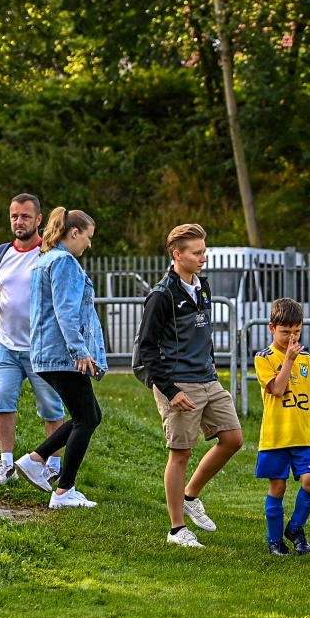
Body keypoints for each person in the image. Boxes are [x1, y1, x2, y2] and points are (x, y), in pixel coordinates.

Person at [134, 222, 245, 547]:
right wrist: (171, 390)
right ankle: (177, 530)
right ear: (177, 254)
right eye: (197, 253)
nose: (203, 258)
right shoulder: (162, 295)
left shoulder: (203, 287)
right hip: (178, 383)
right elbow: (147, 348)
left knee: (233, 438)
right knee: (180, 454)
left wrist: (210, 359)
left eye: (204, 252)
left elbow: (204, 330)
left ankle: (191, 495)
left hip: (207, 379)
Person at [14, 207, 109, 509]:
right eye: (88, 237)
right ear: (75, 232)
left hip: (46, 353)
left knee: (90, 415)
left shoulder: (45, 259)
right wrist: (80, 352)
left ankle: (35, 460)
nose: (89, 244)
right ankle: (64, 491)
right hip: (62, 355)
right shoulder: (65, 262)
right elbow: (65, 310)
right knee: (87, 417)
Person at [0, 194, 65, 485]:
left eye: (26, 216)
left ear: (39, 220)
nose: (19, 221)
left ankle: (52, 464)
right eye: (15, 216)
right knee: (1, 400)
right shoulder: (1, 253)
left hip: (42, 348)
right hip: (7, 344)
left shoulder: (50, 254)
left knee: (51, 407)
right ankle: (5, 464)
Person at [254, 298, 310, 555]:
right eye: (285, 332)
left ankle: (296, 528)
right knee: (278, 487)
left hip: (304, 435)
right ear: (272, 328)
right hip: (276, 436)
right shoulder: (263, 358)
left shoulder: (307, 359)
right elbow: (277, 389)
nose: (291, 337)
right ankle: (275, 541)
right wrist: (288, 359)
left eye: (296, 331)